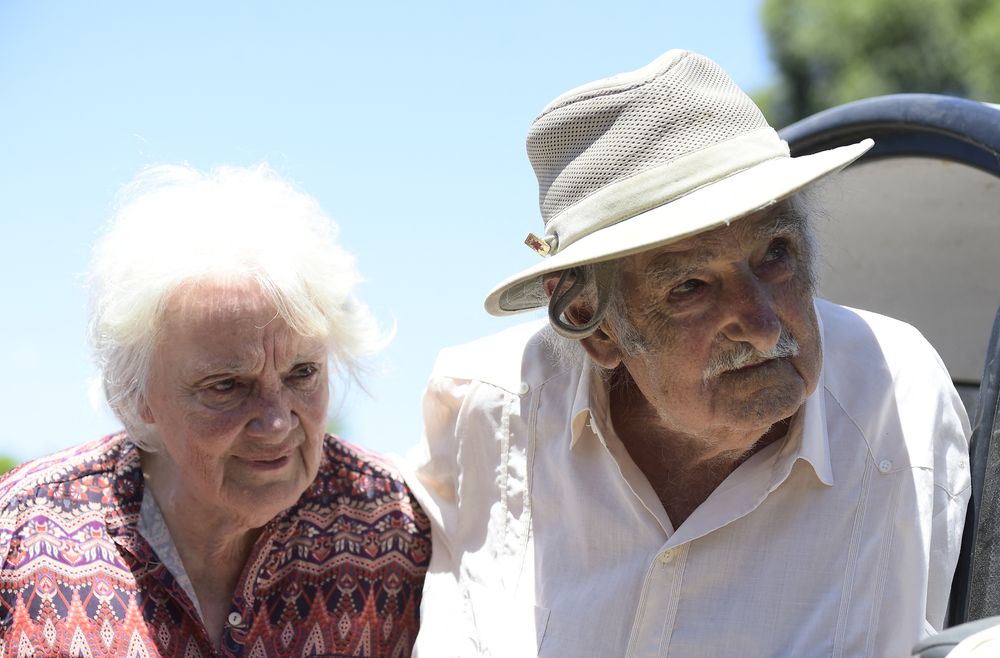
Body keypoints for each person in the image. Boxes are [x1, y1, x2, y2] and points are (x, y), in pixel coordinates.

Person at [405, 50, 971, 657]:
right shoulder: (486, 409)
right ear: (589, 325)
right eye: (690, 288)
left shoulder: (897, 397)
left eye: (775, 255)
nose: (759, 325)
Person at [0, 164, 430, 657]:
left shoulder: (395, 529)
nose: (276, 422)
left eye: (303, 374)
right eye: (226, 386)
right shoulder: (24, 533)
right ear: (138, 394)